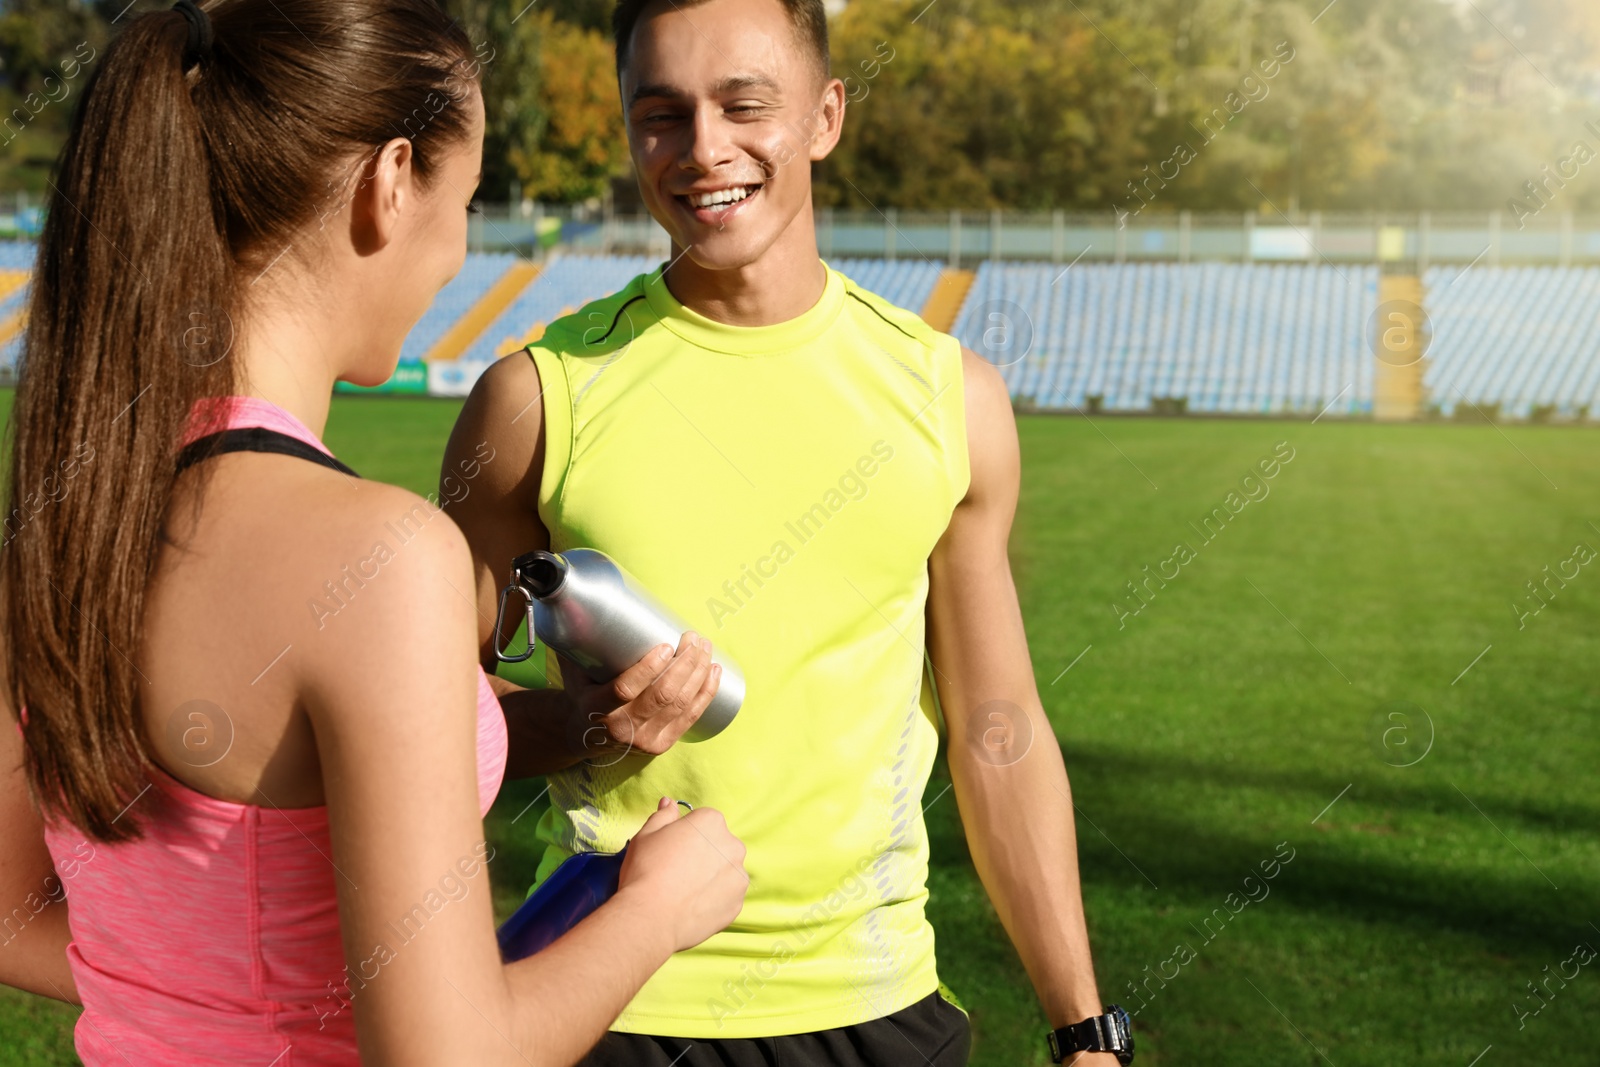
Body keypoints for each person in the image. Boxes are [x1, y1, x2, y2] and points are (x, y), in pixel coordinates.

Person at [0, 2, 746, 1065]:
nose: (457, 253)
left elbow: (18, 911)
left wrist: (574, 728)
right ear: (391, 181)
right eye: (468, 200)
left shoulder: (58, 538)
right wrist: (657, 908)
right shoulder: (381, 557)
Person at [442, 0, 1127, 1063]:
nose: (703, 149)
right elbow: (426, 722)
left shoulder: (951, 399)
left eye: (743, 105)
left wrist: (1084, 1025)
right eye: (661, 114)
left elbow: (999, 725)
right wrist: (582, 725)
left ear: (824, 116)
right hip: (615, 1001)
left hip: (878, 1003)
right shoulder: (534, 402)